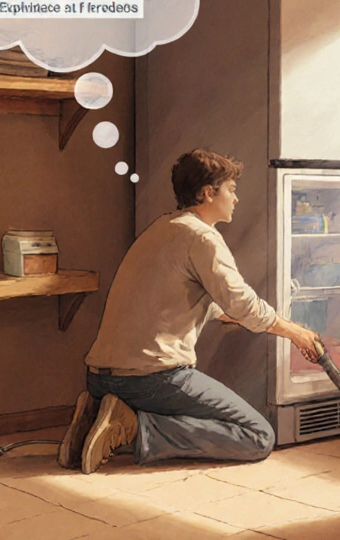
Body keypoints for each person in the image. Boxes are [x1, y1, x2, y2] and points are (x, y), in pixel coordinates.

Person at [57, 148, 321, 474]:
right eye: (231, 190)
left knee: (210, 414)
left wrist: (241, 316)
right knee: (258, 436)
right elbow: (244, 305)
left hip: (98, 377)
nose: (236, 199)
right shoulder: (202, 238)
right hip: (148, 379)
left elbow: (187, 303)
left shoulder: (163, 228)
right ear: (209, 193)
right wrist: (296, 332)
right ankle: (133, 427)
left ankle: (95, 414)